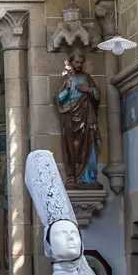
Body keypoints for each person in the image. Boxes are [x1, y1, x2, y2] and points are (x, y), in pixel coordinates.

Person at [55, 48, 101, 184]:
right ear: (71, 62)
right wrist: (68, 89)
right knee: (73, 147)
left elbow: (97, 94)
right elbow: (58, 99)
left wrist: (87, 89)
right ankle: (74, 176)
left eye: (81, 62)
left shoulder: (87, 77)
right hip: (71, 117)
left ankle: (89, 177)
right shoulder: (67, 79)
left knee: (90, 144)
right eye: (76, 62)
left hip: (87, 116)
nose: (79, 65)